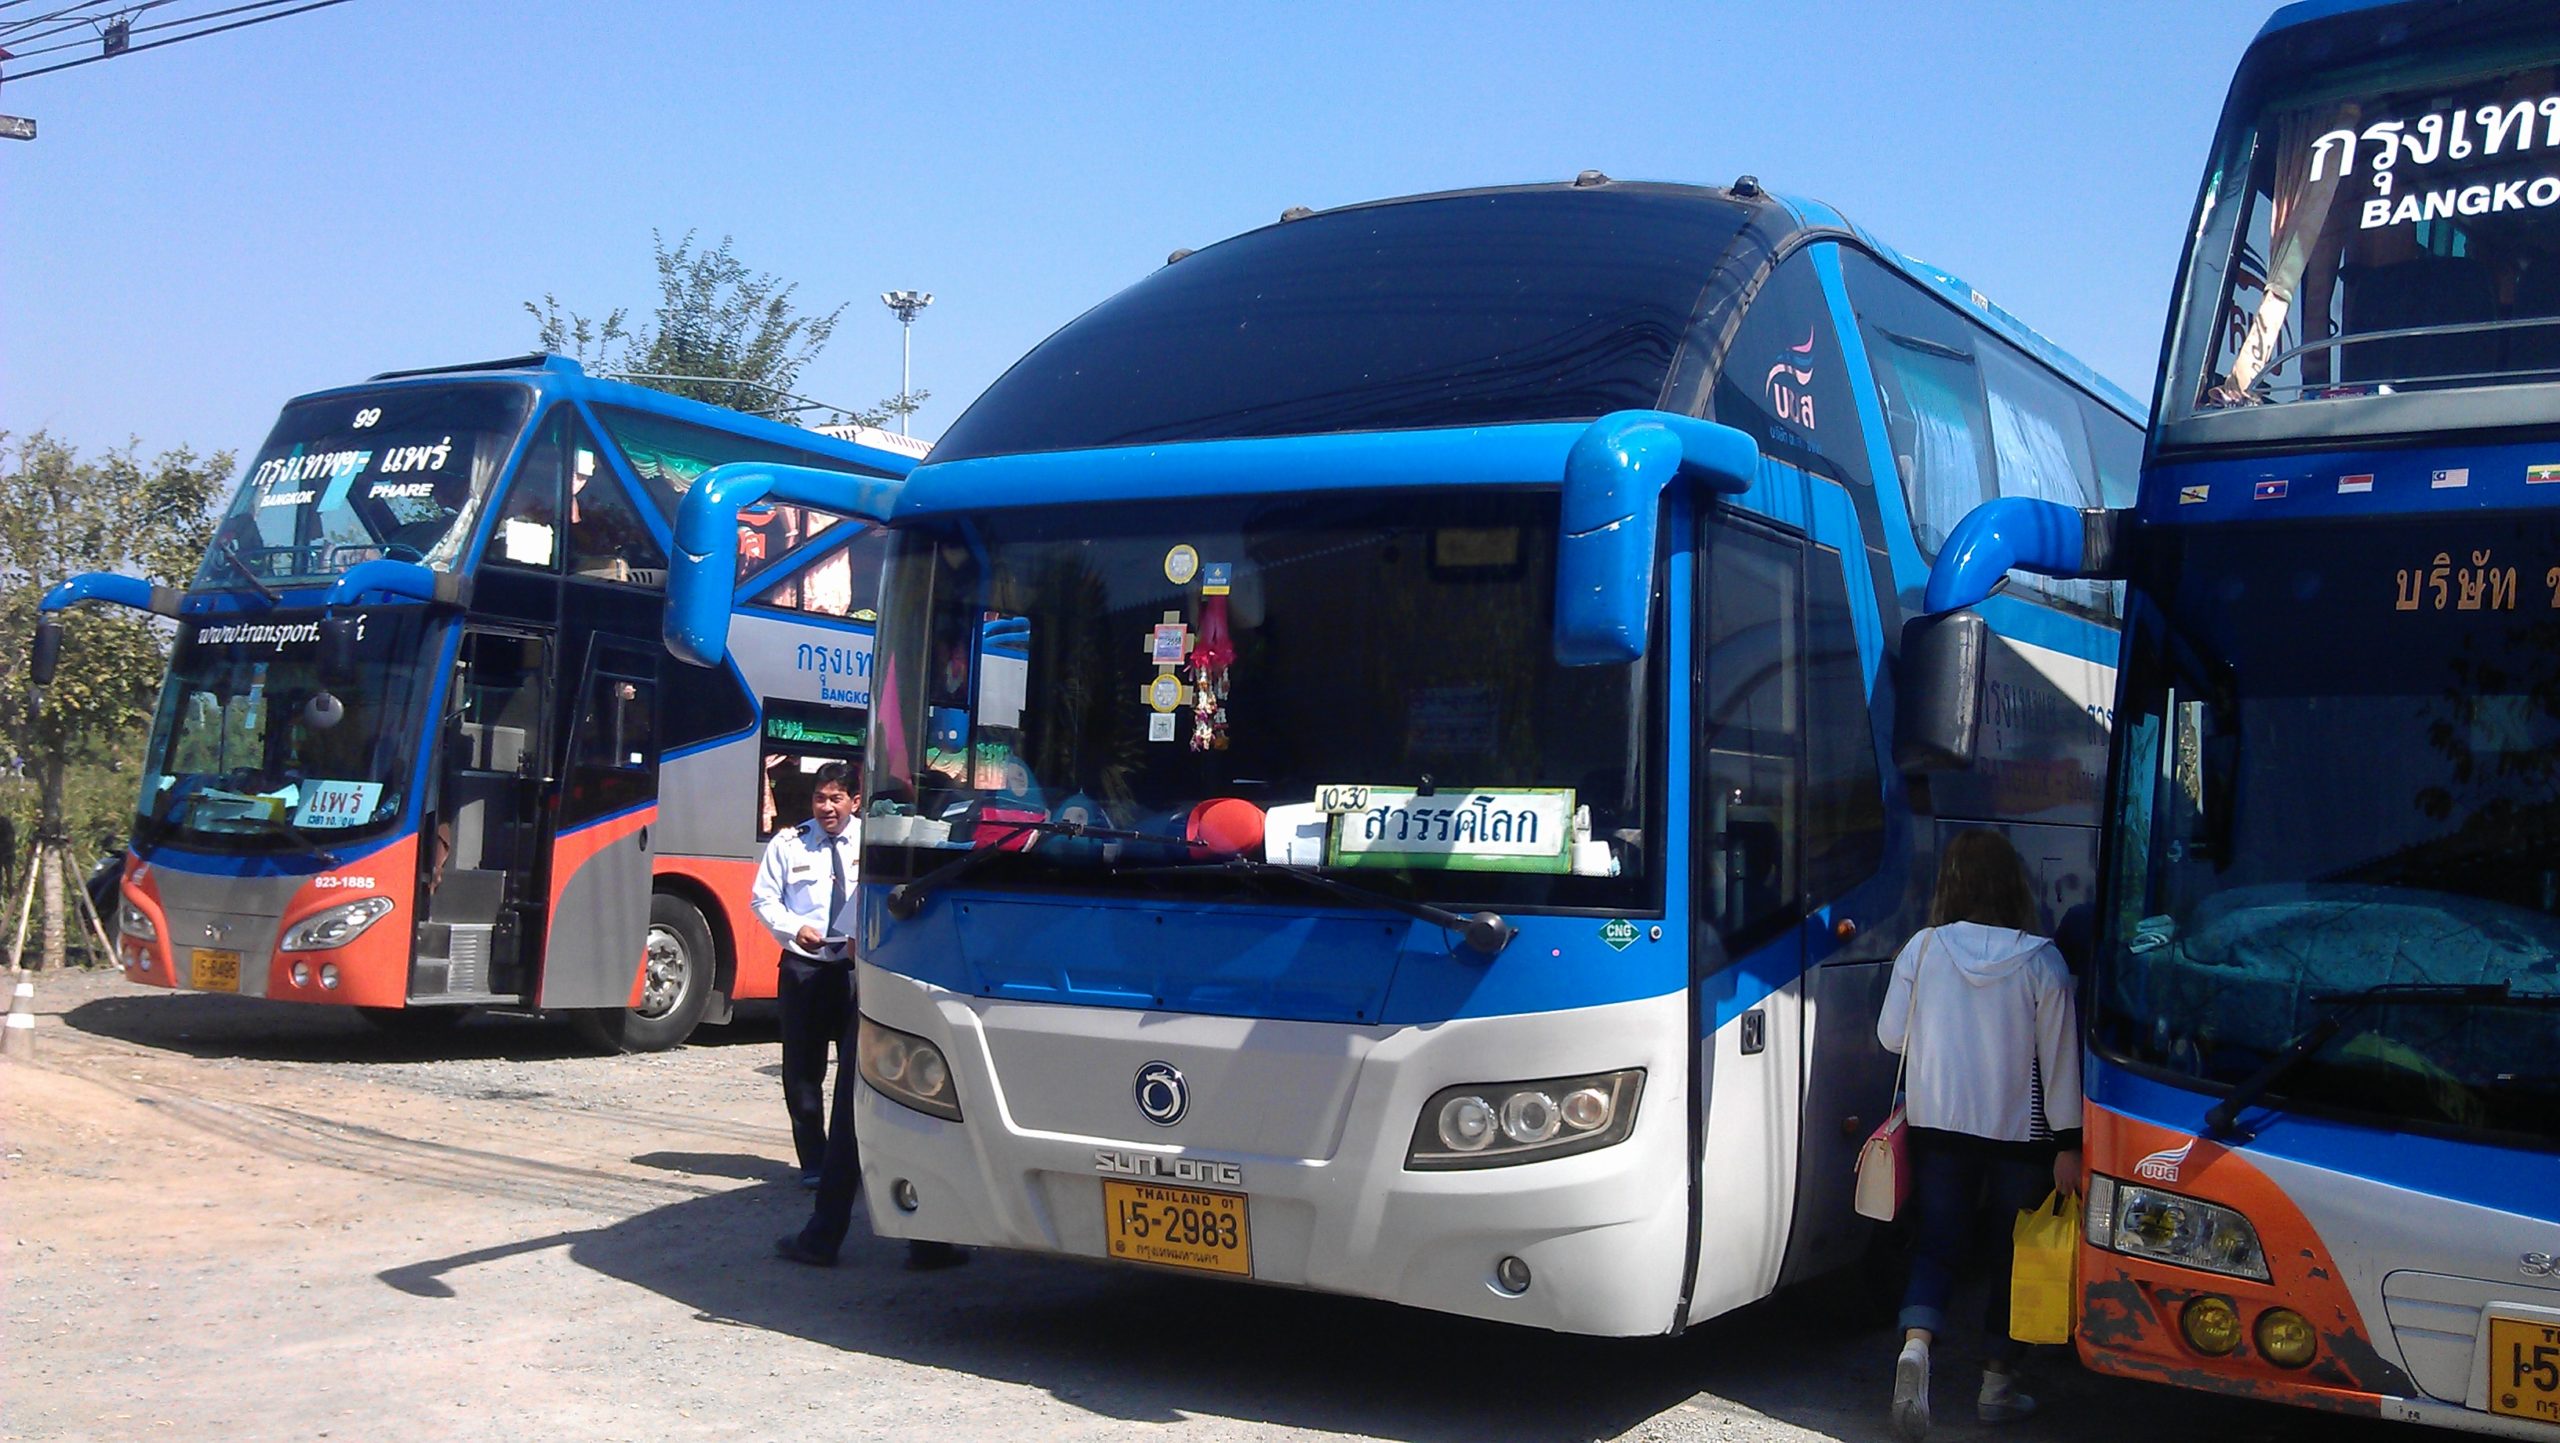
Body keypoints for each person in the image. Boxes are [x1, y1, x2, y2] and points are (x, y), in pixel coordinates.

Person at [1878, 829, 2082, 1440]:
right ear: (2013, 883)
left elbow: (1893, 1037)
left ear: (1950, 884)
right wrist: (2070, 1144)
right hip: (2022, 1135)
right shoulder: (2043, 960)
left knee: (1937, 1242)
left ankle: (1916, 1347)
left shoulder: (1923, 948)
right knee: (2011, 1255)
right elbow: (2062, 1060)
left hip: (1940, 1126)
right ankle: (1998, 1383)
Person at [750, 763, 861, 1189]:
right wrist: (796, 929)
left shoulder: (870, 842)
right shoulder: (790, 843)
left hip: (852, 970)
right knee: (802, 1070)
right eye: (820, 798)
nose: (827, 807)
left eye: (836, 799)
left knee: (855, 1070)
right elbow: (763, 899)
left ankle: (849, 1159)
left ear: (853, 800)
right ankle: (814, 1161)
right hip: (804, 968)